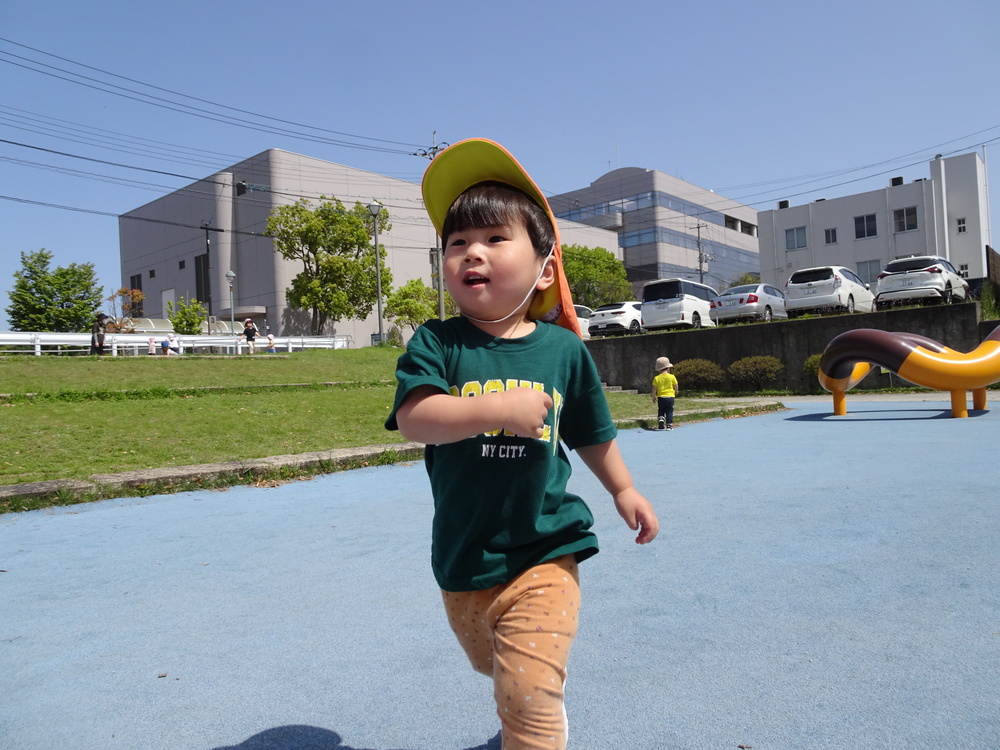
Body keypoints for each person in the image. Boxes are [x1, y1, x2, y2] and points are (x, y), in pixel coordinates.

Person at [385, 138, 659, 750]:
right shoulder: (437, 343)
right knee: (496, 669)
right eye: (457, 244)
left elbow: (590, 429)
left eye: (493, 238)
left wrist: (624, 487)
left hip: (545, 547)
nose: (471, 253)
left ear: (544, 266)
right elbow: (415, 418)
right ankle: (528, 705)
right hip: (465, 556)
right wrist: (494, 409)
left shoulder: (563, 350)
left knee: (527, 694)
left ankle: (536, 721)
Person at [651, 356, 679, 430]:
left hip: (661, 397)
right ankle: (669, 425)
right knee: (669, 411)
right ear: (668, 368)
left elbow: (654, 388)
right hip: (670, 397)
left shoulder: (657, 378)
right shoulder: (672, 377)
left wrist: (653, 396)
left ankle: (661, 419)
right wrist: (676, 391)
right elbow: (675, 385)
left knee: (661, 409)